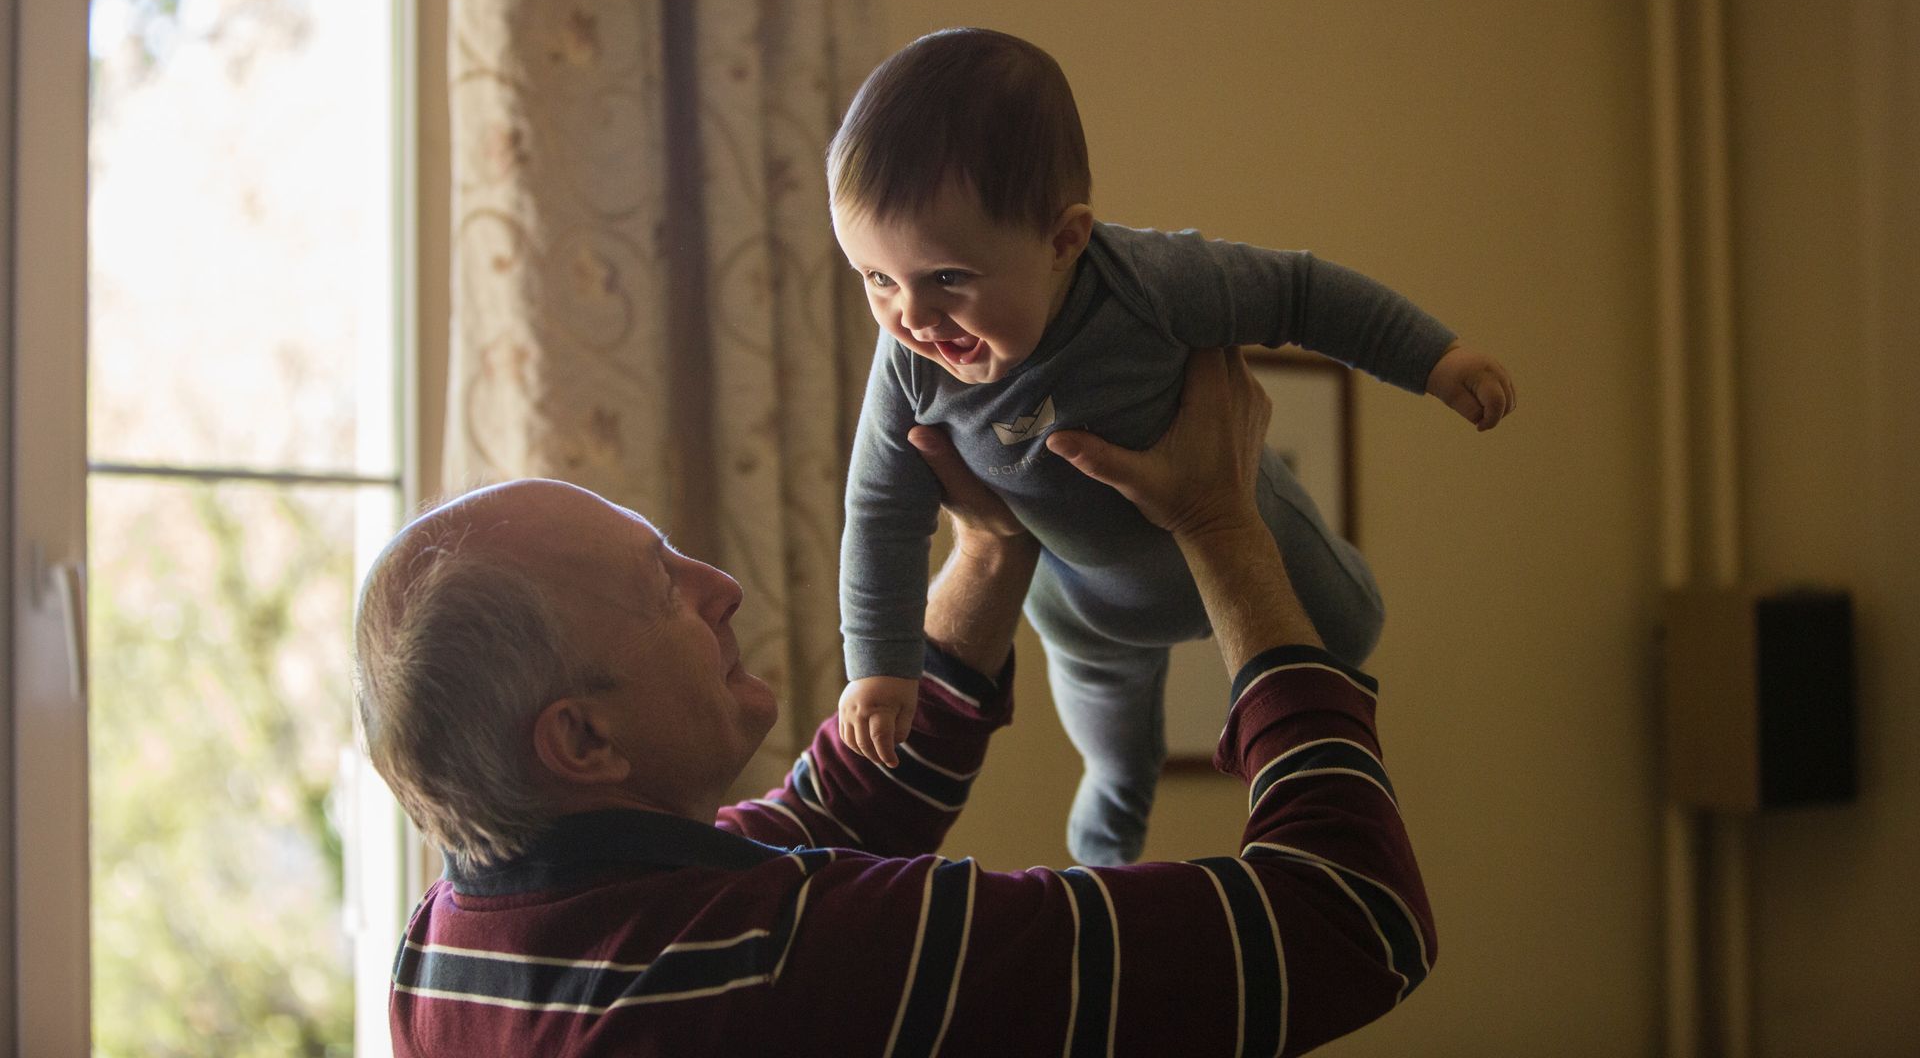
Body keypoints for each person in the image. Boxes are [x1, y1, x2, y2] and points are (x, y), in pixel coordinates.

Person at [355, 348, 1437, 1057]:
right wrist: (1222, 524)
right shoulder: (791, 963)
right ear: (583, 737)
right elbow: (1350, 916)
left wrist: (992, 543)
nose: (720, 586)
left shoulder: (449, 948)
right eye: (662, 587)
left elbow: (833, 811)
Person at [831, 27, 1516, 863]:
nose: (912, 317)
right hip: (1087, 609)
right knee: (1117, 757)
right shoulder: (908, 366)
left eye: (947, 278)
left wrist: (1435, 358)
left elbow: (1301, 293)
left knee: (1352, 628)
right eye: (875, 278)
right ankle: (1105, 860)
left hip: (1246, 524)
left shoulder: (1150, 284)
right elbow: (880, 512)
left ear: (1063, 241)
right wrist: (880, 665)